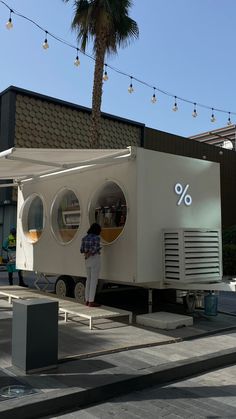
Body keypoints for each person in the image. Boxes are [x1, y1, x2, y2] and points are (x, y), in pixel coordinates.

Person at [80, 223, 102, 307]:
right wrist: (90, 253)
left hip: (87, 260)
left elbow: (81, 250)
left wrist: (86, 254)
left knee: (88, 279)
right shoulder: (96, 238)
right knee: (94, 280)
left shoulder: (84, 238)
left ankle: (87, 300)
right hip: (95, 258)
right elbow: (95, 249)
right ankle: (91, 301)